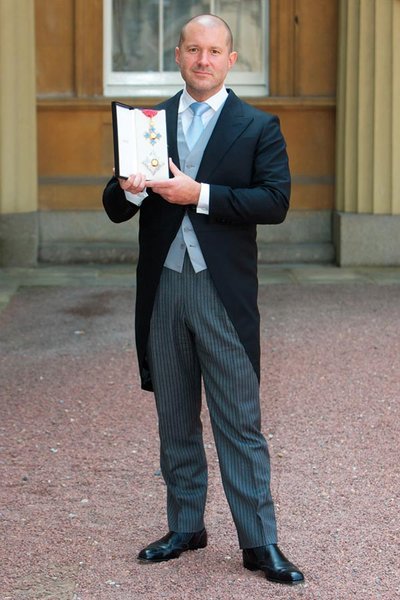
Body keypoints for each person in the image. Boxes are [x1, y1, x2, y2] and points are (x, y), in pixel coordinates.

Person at [103, 14, 304, 585]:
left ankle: (259, 542)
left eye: (214, 51)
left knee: (238, 420)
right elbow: (114, 206)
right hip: (163, 287)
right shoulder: (148, 122)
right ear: (178, 55)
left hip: (223, 292)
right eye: (193, 49)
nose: (203, 60)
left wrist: (201, 194)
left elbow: (275, 201)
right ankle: (186, 526)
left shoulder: (257, 126)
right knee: (174, 417)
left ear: (230, 60)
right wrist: (131, 191)